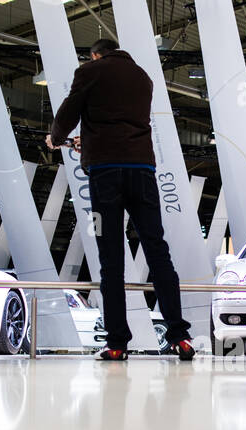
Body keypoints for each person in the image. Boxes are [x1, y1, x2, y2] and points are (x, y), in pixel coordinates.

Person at [46, 38, 195, 362]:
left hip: (105, 176)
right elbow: (122, 126)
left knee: (110, 256)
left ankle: (117, 343)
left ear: (96, 54)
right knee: (157, 251)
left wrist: (56, 139)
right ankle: (180, 336)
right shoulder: (143, 77)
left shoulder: (90, 71)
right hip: (142, 172)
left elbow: (69, 112)